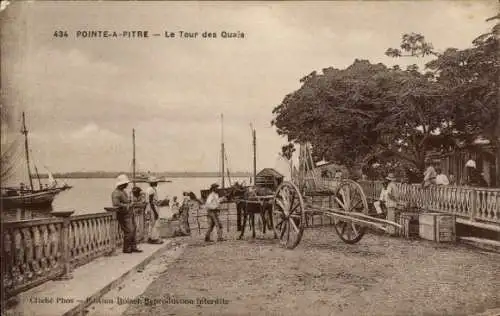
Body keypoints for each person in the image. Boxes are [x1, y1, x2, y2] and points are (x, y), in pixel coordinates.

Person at [111, 174, 142, 253]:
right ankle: (126, 248)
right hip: (123, 215)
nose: (127, 184)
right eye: (126, 183)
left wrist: (130, 203)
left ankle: (133, 247)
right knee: (129, 231)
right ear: (122, 184)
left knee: (134, 230)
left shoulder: (123, 191)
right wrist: (127, 205)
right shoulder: (116, 193)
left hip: (129, 214)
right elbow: (116, 204)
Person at [145, 176, 163, 244]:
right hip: (152, 208)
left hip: (151, 207)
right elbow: (150, 201)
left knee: (151, 223)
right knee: (155, 223)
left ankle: (150, 238)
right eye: (156, 182)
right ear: (153, 182)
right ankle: (154, 238)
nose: (157, 183)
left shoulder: (151, 189)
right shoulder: (151, 190)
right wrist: (155, 212)